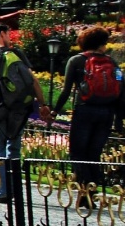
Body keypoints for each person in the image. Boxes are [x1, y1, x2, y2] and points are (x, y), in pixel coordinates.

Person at [0, 22, 53, 203]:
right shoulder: (15, 54)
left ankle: (2, 192)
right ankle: (16, 189)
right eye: (8, 34)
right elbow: (32, 81)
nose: (10, 38)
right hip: (16, 109)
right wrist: (42, 104)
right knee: (14, 148)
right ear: (2, 34)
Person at [51, 26, 121, 199]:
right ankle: (94, 187)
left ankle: (85, 191)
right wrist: (119, 120)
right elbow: (121, 91)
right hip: (106, 112)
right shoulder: (112, 63)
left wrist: (54, 112)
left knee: (77, 152)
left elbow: (66, 91)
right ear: (102, 44)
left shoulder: (76, 61)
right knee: (94, 153)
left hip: (84, 110)